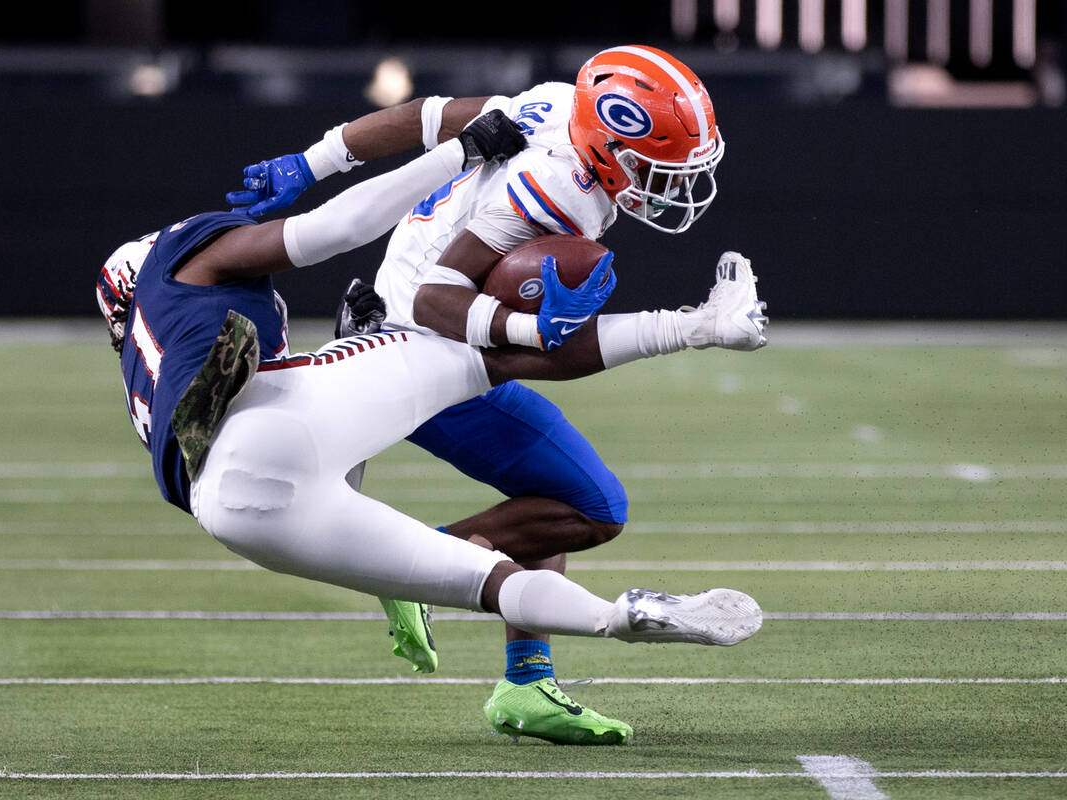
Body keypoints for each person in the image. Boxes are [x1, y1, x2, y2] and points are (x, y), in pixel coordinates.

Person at [225, 44, 766, 745]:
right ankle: (419, 567)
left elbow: (427, 118)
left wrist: (314, 161)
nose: (666, 186)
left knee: (564, 491)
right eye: (652, 166)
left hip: (403, 325)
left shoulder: (559, 102)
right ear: (607, 144)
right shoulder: (562, 190)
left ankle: (525, 680)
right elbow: (439, 301)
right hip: (413, 349)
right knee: (592, 505)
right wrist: (552, 328)